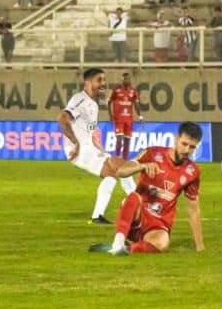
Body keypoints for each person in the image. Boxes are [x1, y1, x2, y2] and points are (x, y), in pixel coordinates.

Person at [89, 122, 205, 255]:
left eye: (192, 147)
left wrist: (200, 245)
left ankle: (126, 249)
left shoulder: (192, 172)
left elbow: (193, 209)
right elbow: (121, 171)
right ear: (176, 139)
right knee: (134, 197)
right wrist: (142, 167)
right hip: (138, 215)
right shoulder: (153, 153)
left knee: (162, 243)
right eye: (184, 144)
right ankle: (118, 243)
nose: (186, 150)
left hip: (158, 225)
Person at [60, 68, 158, 226]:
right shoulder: (80, 99)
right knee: (119, 164)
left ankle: (98, 216)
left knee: (112, 174)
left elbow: (91, 132)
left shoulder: (93, 105)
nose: (103, 84)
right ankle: (141, 201)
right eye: (99, 80)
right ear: (88, 82)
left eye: (104, 80)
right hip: (78, 150)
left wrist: (100, 149)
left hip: (89, 148)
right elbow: (63, 119)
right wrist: (76, 143)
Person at [108, 72, 143, 160]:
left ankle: (125, 160)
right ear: (122, 80)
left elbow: (136, 104)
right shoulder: (116, 90)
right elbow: (109, 102)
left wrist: (140, 116)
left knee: (127, 141)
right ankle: (118, 157)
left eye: (129, 79)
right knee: (119, 139)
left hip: (129, 120)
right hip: (119, 119)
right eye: (126, 79)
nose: (128, 80)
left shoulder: (133, 91)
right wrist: (110, 115)